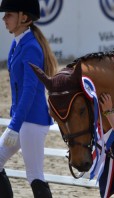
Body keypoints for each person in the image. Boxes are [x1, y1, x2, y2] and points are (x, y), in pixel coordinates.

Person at [0, 0, 57, 197]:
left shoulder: (31, 46)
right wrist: (15, 121)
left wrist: (14, 125)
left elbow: (29, 90)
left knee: (34, 175)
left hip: (31, 121)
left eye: (9, 14)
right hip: (22, 119)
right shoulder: (19, 43)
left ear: (23, 17)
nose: (4, 18)